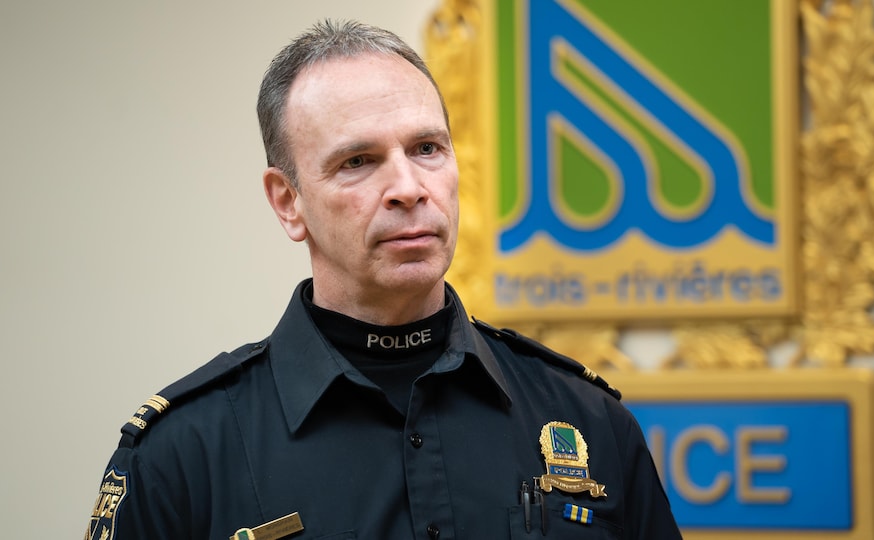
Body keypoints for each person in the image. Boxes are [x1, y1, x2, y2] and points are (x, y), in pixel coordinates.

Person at [84, 19, 682, 540]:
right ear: (288, 201)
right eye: (358, 161)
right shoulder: (182, 453)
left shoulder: (588, 422)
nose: (408, 187)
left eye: (427, 148)